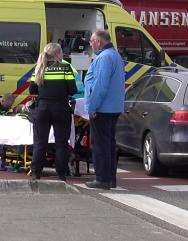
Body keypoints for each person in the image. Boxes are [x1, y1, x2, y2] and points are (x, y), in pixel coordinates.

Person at [28, 42, 78, 181]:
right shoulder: (65, 68)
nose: (63, 55)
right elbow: (73, 90)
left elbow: (32, 90)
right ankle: (62, 175)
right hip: (61, 108)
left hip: (42, 108)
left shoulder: (39, 67)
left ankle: (36, 172)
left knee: (40, 142)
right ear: (57, 54)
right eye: (61, 52)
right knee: (61, 143)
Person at [84, 29, 125, 190]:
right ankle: (110, 178)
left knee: (100, 145)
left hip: (103, 108)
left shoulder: (104, 58)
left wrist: (92, 107)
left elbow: (100, 85)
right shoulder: (115, 55)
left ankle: (102, 179)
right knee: (109, 144)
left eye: (92, 41)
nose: (90, 44)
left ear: (99, 41)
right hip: (113, 106)